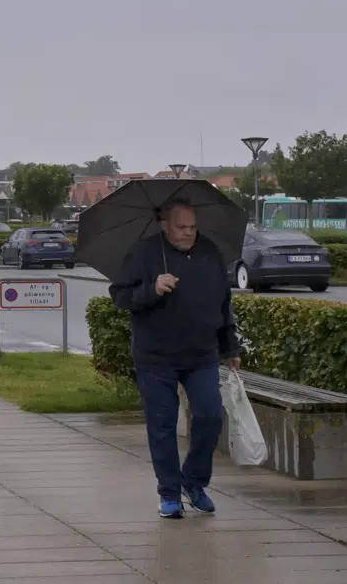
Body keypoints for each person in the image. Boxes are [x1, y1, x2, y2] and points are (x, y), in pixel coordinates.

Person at [108, 198, 240, 519]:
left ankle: (193, 482)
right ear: (165, 225)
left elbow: (223, 302)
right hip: (156, 357)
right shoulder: (144, 253)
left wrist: (230, 346)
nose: (188, 233)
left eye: (193, 227)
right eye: (181, 227)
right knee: (163, 426)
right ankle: (169, 492)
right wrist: (152, 288)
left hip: (202, 354)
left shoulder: (209, 253)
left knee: (210, 417)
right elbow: (120, 296)